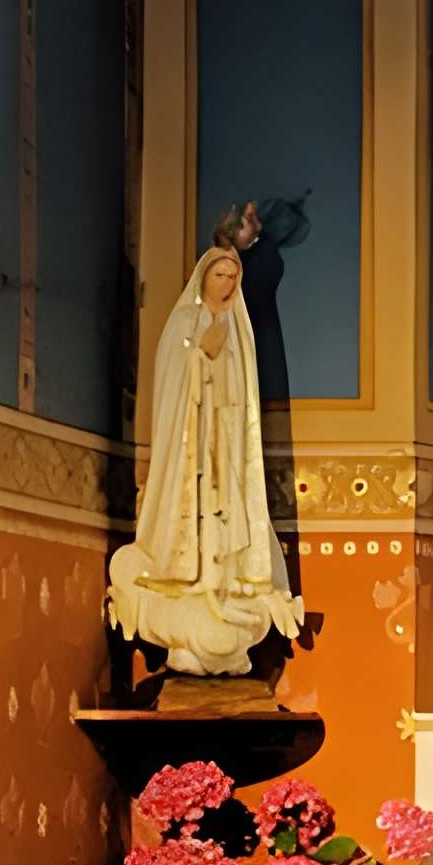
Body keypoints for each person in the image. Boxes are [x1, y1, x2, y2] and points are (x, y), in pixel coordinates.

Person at [109, 247, 304, 676]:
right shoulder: (184, 322)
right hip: (191, 442)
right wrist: (199, 360)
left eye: (233, 277)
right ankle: (191, 586)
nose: (227, 284)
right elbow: (174, 378)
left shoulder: (239, 327)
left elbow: (244, 386)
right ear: (203, 278)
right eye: (220, 275)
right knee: (193, 514)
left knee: (227, 514)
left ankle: (227, 586)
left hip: (227, 439)